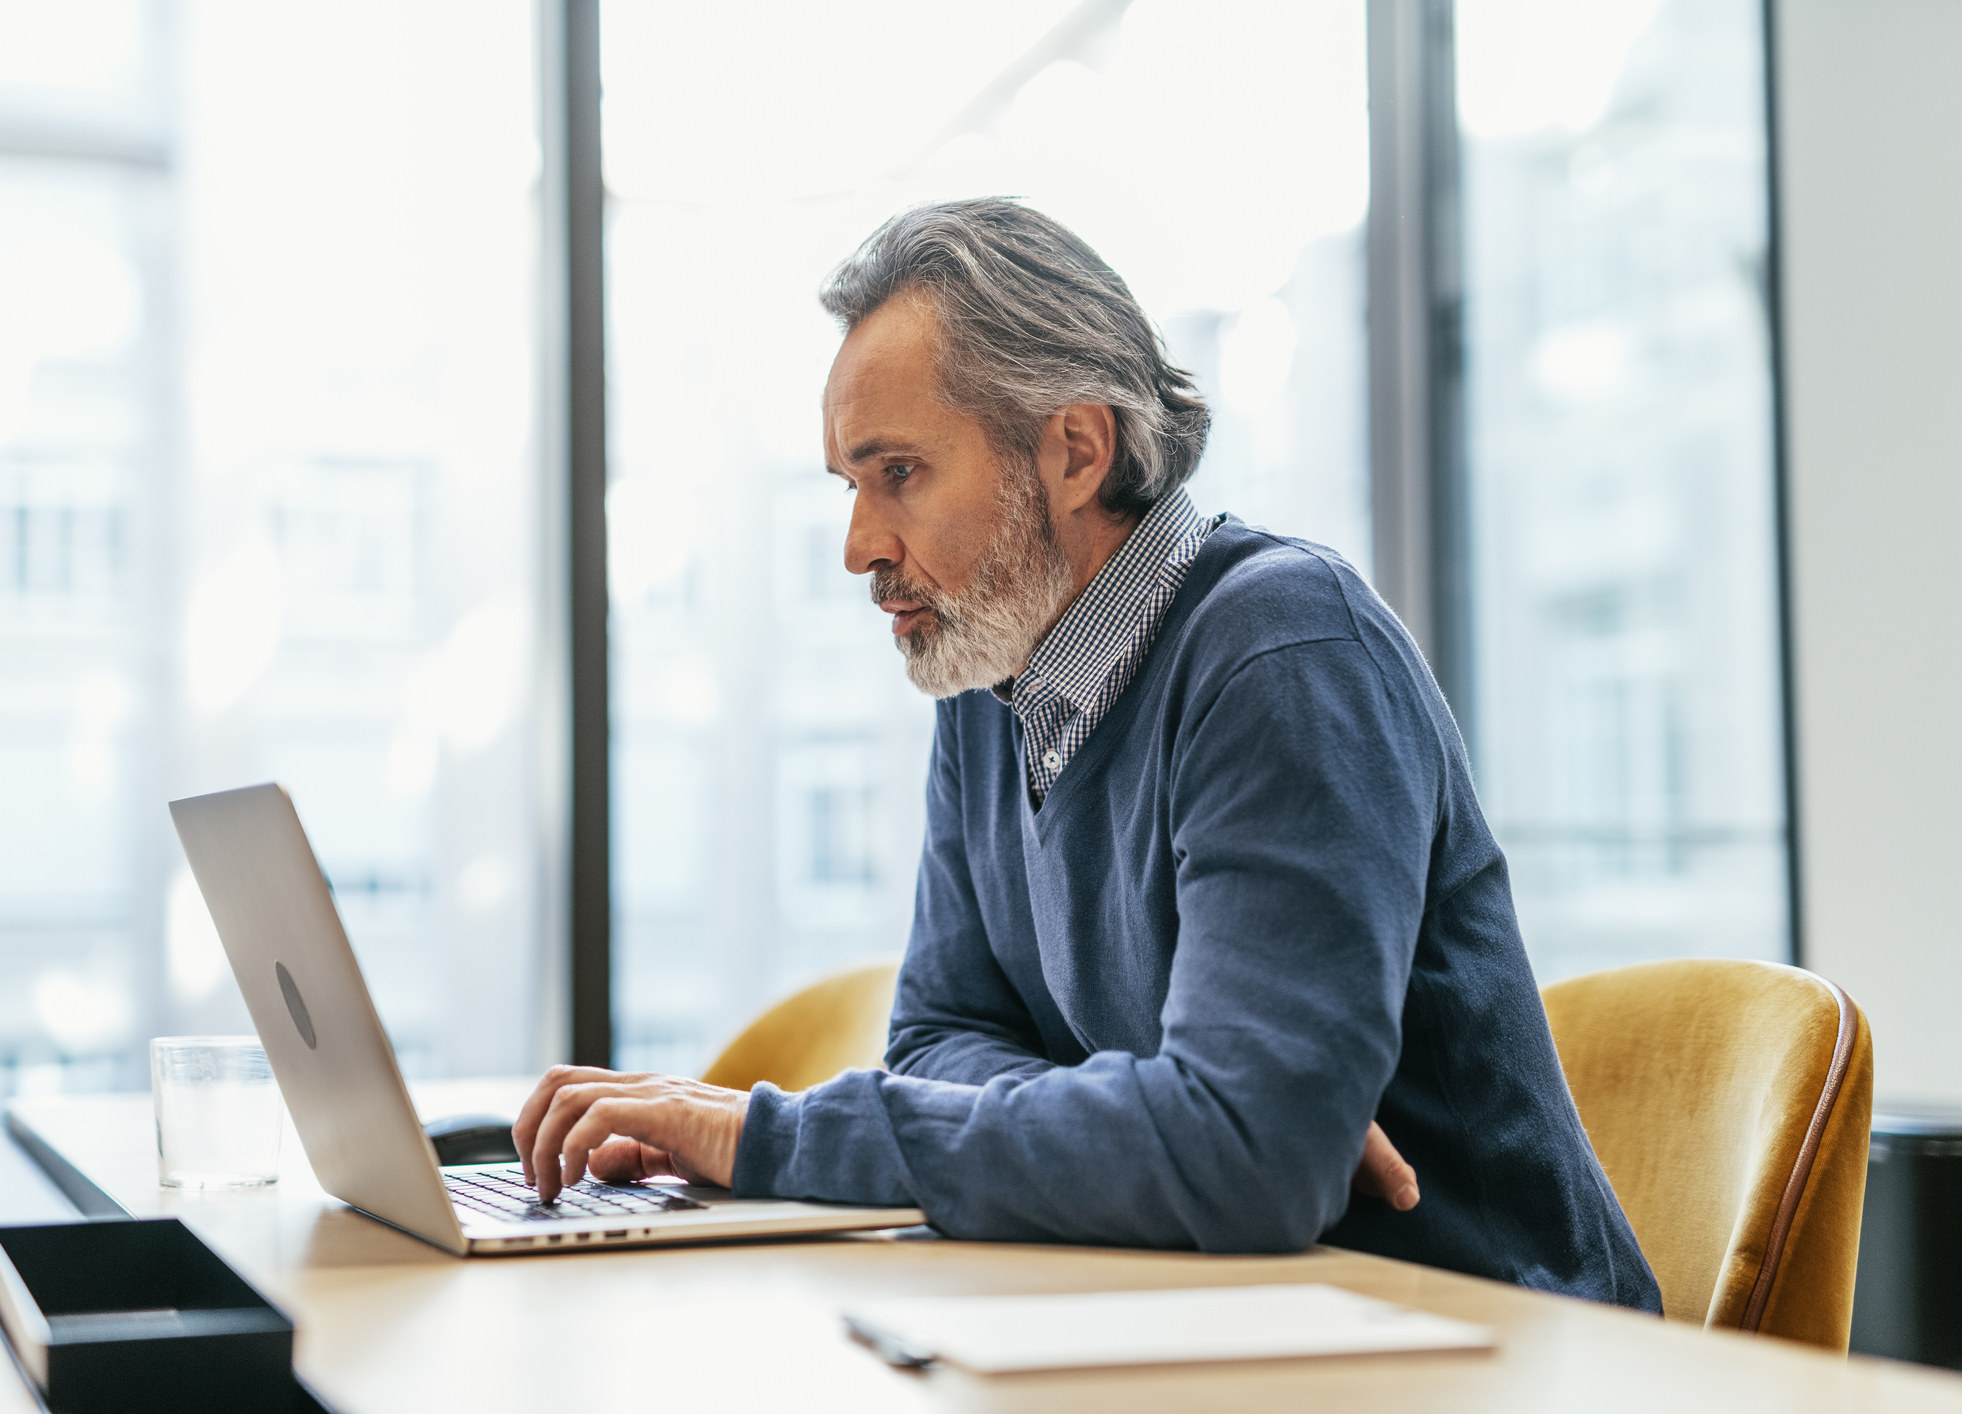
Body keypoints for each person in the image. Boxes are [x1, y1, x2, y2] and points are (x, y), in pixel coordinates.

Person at [514, 199, 1660, 1309]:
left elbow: (1247, 1166)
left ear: (1072, 449)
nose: (860, 546)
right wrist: (1168, 1122)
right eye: (850, 486)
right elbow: (939, 1043)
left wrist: (770, 1135)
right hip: (1222, 1318)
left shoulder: (1285, 649)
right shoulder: (985, 678)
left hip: (1490, 1343)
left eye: (898, 473)